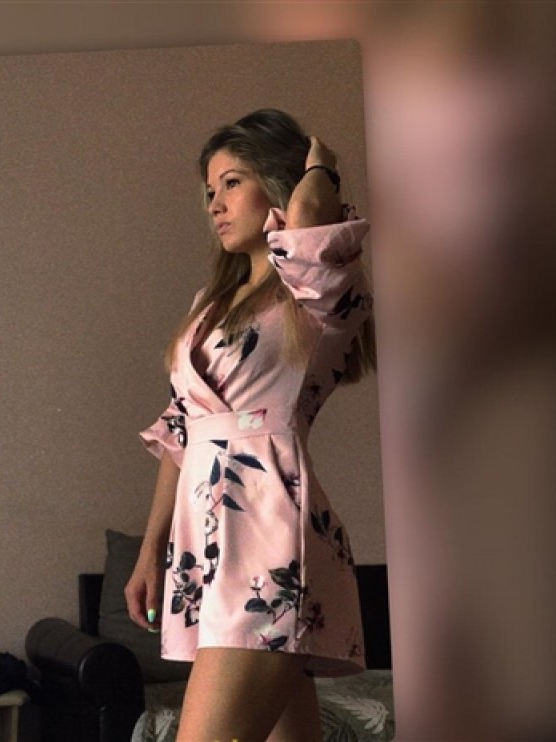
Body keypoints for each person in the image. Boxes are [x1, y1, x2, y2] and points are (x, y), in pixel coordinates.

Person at [126, 109, 376, 742]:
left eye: (233, 182)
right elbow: (183, 430)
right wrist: (151, 547)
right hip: (207, 544)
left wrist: (318, 169)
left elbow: (315, 223)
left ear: (278, 184)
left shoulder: (316, 290)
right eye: (209, 190)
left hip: (270, 536)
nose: (215, 203)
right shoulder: (208, 308)